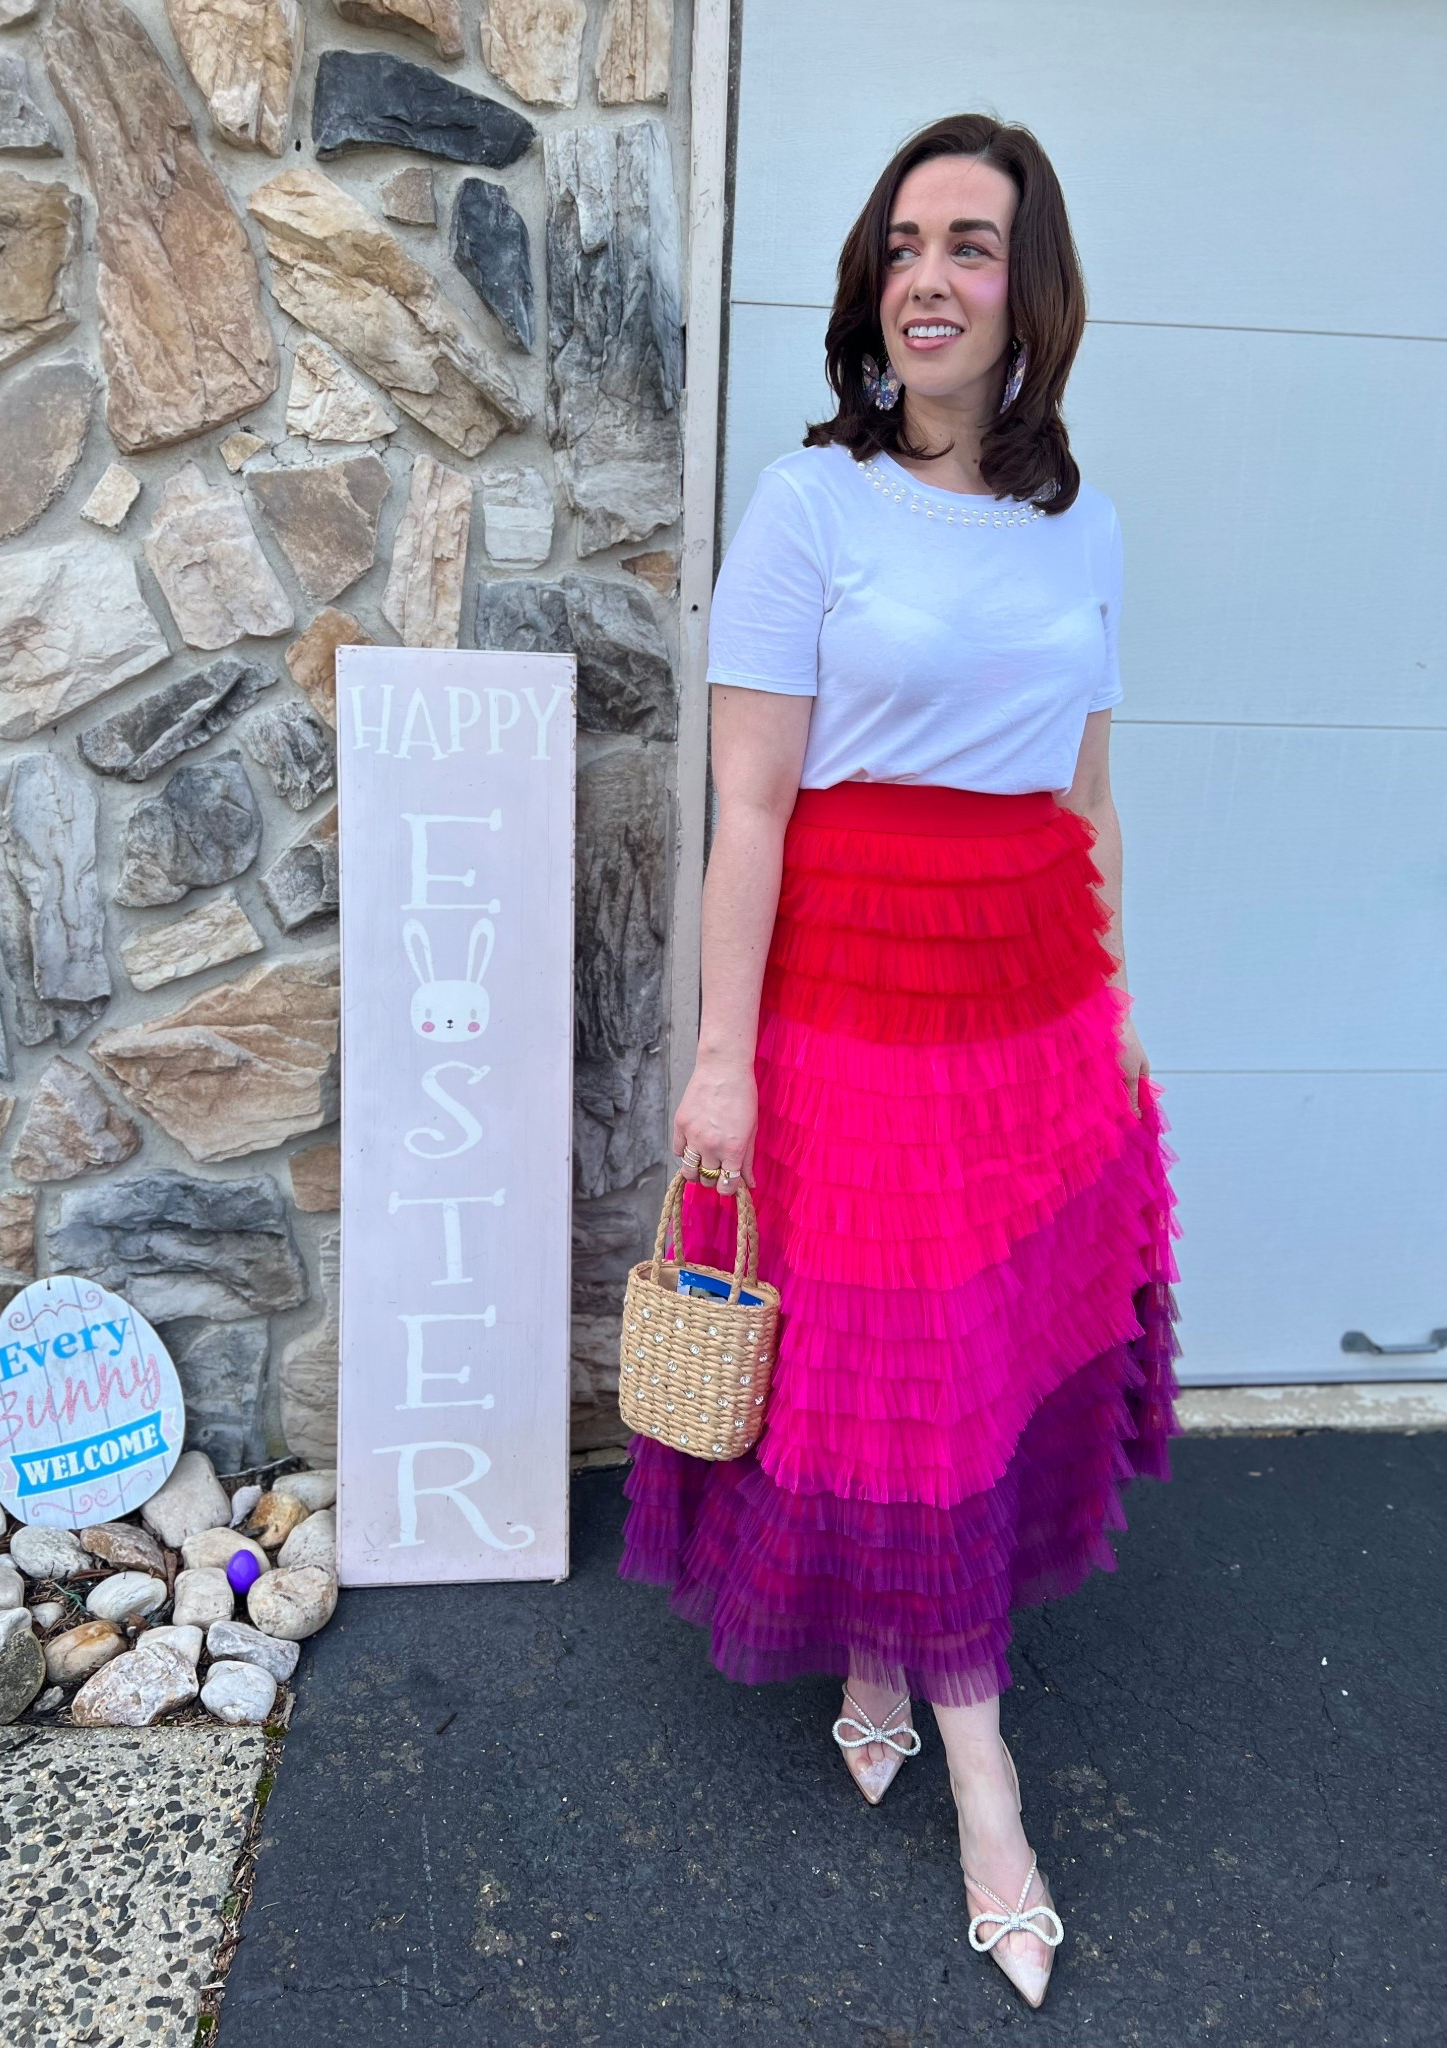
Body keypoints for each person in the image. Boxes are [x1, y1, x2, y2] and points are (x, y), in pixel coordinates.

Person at [619, 112, 1181, 2010]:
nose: (930, 277)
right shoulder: (812, 507)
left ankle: (885, 1654)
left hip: (1027, 1006)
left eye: (972, 245)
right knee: (907, 1364)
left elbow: (1090, 789)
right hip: (853, 992)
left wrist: (1112, 1013)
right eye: (904, 244)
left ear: (1030, 292)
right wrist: (721, 1060)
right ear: (874, 283)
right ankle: (991, 1792)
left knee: (976, 1356)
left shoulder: (1081, 518)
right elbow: (753, 812)